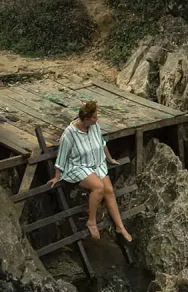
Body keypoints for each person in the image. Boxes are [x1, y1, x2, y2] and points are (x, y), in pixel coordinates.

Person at [48, 100, 132, 242]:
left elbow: (102, 144)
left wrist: (110, 159)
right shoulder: (70, 133)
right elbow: (62, 155)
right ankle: (91, 221)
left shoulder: (94, 126)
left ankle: (120, 226)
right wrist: (57, 176)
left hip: (96, 163)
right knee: (98, 187)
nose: (96, 118)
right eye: (94, 117)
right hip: (78, 166)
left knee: (109, 190)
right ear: (85, 119)